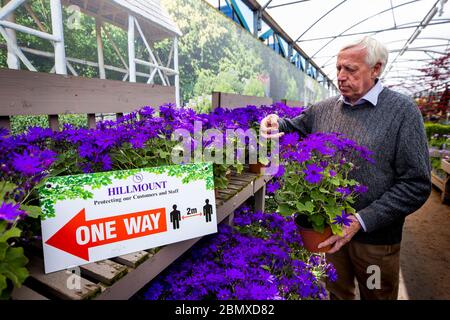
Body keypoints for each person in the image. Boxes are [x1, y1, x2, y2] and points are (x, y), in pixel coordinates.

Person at [260, 36, 431, 300]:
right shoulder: (325, 109)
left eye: (350, 69)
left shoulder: (403, 112)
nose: (341, 76)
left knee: (376, 295)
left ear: (376, 69)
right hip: (329, 236)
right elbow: (291, 126)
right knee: (337, 294)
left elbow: (416, 184)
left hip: (375, 242)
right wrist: (273, 121)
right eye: (339, 68)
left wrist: (360, 221)